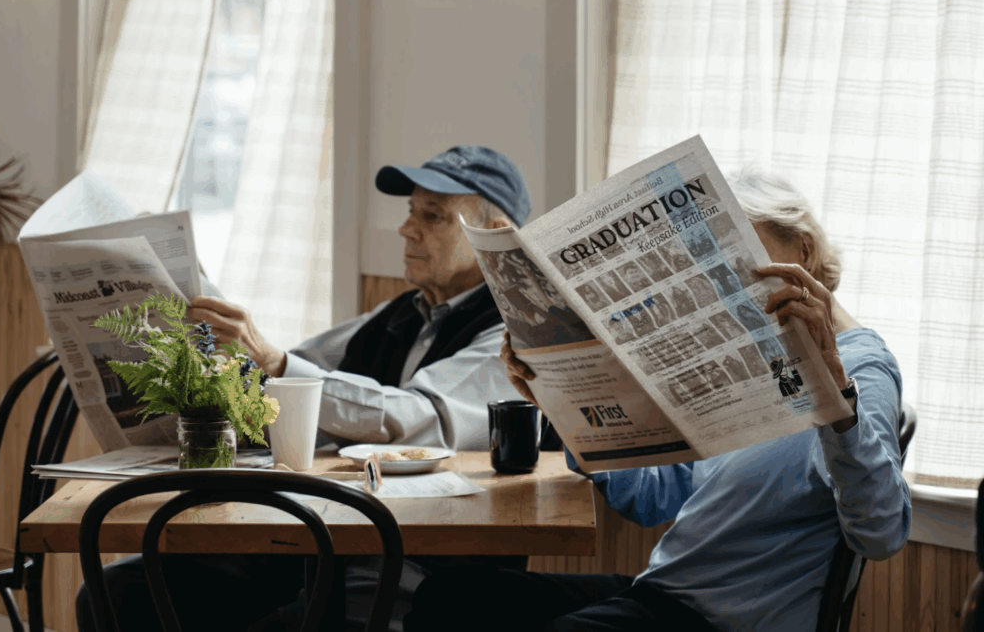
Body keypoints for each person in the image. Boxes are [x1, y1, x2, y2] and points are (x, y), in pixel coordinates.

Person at [403, 165, 910, 632]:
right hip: (663, 595)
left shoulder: (862, 364)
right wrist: (561, 395)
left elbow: (880, 533)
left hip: (724, 622)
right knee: (452, 597)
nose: (723, 288)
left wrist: (836, 400)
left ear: (801, 249)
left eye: (736, 260)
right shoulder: (745, 354)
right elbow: (654, 498)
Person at [75, 145, 533, 632]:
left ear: (494, 234)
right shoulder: (398, 314)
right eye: (410, 212)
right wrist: (186, 289)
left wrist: (274, 362)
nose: (406, 228)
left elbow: (424, 418)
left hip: (422, 563)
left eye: (432, 215)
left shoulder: (512, 329)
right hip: (320, 540)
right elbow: (289, 371)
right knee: (117, 593)